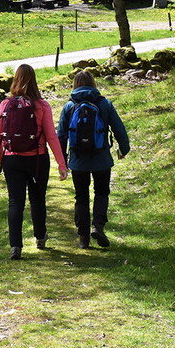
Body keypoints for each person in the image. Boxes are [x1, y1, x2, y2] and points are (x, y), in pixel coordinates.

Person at [0, 64, 67, 260]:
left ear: (15, 80)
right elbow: (52, 136)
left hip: (12, 159)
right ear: (34, 80)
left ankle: (15, 246)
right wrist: (62, 164)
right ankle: (40, 237)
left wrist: (2, 158)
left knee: (15, 202)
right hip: (37, 159)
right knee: (37, 199)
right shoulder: (42, 106)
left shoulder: (5, 104)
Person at [56, 70, 130, 249]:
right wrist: (124, 149)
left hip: (78, 160)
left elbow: (61, 136)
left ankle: (83, 237)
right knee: (102, 192)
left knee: (81, 197)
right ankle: (98, 226)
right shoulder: (104, 104)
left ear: (75, 85)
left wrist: (62, 162)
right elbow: (119, 129)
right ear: (93, 84)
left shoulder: (69, 106)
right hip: (101, 159)